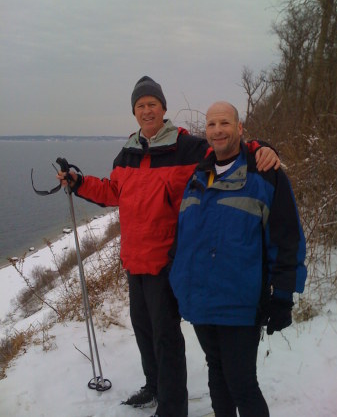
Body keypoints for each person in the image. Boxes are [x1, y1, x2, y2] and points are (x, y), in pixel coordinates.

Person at [57, 79, 280, 417]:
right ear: (134, 112)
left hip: (166, 260)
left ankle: (172, 407)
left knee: (166, 337)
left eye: (152, 104)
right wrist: (78, 182)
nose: (147, 110)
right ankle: (154, 386)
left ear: (163, 109)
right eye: (140, 105)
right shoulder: (127, 152)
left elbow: (228, 149)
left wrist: (261, 147)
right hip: (134, 259)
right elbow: (113, 191)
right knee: (144, 331)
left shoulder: (187, 147)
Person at [169, 101, 307, 417]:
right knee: (216, 374)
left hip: (240, 304)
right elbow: (184, 234)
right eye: (212, 125)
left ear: (240, 128)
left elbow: (287, 239)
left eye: (225, 123)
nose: (218, 130)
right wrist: (177, 278)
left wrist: (283, 296)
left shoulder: (265, 175)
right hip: (202, 301)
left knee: (242, 384)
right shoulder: (198, 176)